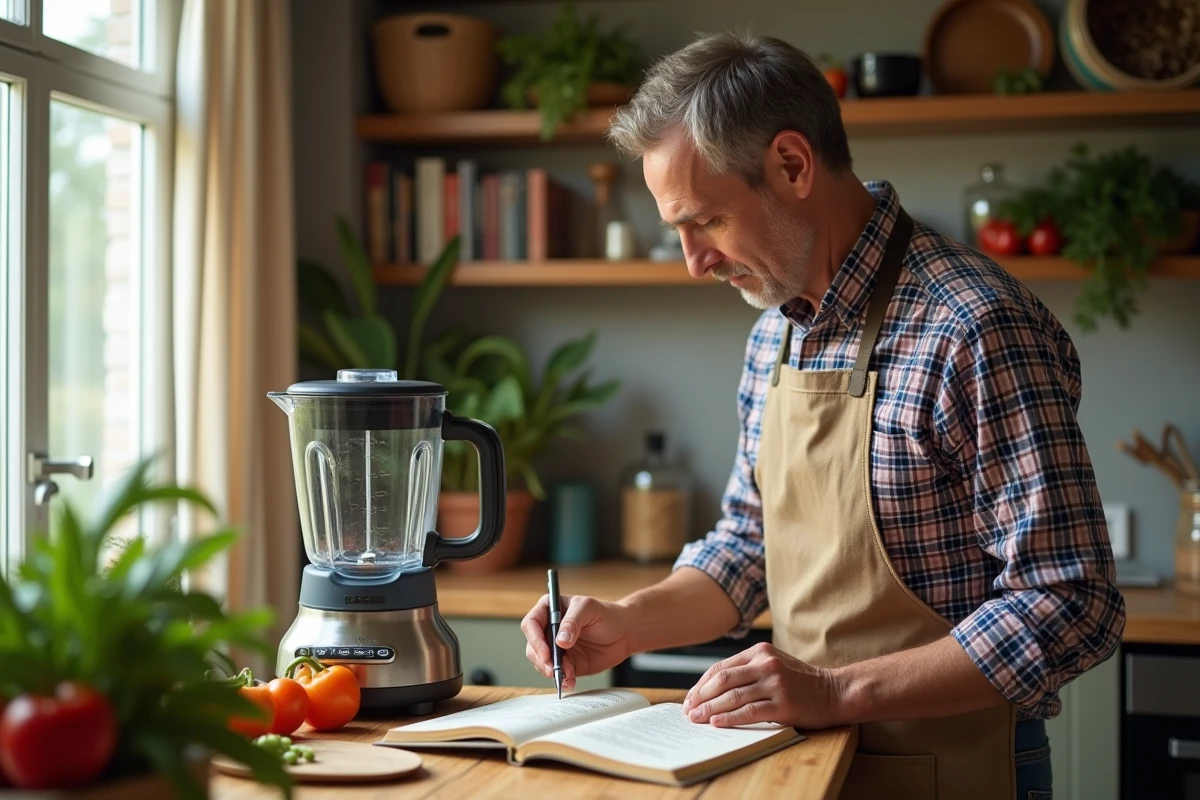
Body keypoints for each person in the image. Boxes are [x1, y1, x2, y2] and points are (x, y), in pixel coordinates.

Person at [520, 31, 1124, 799]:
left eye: (704, 221)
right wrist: (627, 622)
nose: (691, 261)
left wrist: (836, 694)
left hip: (955, 772)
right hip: (802, 770)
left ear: (793, 165)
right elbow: (749, 545)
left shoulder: (972, 328)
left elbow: (1071, 603)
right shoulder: (775, 328)